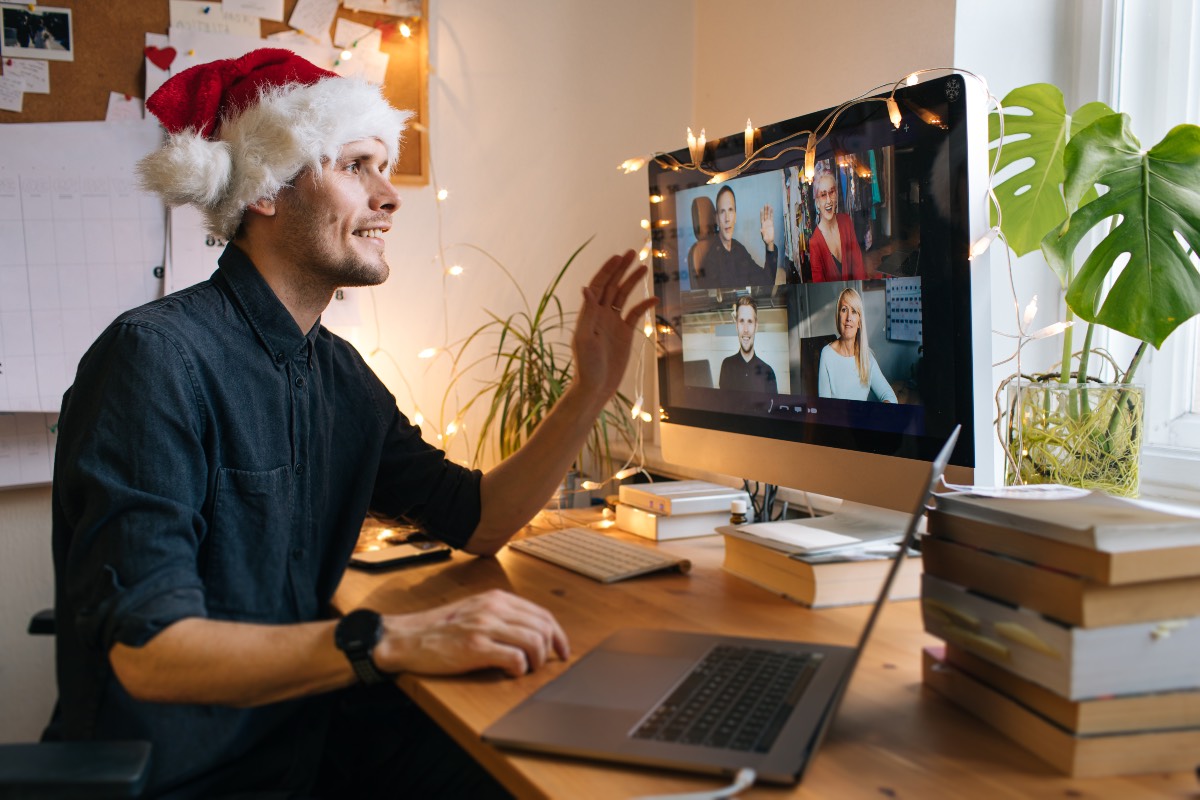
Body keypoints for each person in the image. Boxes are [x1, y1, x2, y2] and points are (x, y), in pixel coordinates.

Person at [49, 49, 656, 799]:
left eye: (384, 165)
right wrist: (396, 638)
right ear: (265, 189)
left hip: (306, 734)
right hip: (190, 775)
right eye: (357, 165)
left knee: (567, 764)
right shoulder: (155, 361)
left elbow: (479, 520)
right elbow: (149, 653)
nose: (389, 196)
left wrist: (589, 391)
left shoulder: (338, 374)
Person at [817, 287, 896, 402]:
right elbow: (824, 408)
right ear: (838, 316)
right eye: (844, 310)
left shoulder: (866, 356)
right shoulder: (827, 354)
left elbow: (890, 397)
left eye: (854, 311)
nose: (849, 318)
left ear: (859, 322)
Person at [692, 184, 778, 288]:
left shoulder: (738, 248)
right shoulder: (711, 262)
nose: (727, 218)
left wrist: (769, 244)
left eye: (730, 210)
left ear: (735, 216)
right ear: (717, 219)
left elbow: (767, 282)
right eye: (722, 211)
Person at [808, 162, 871, 282]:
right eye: (822, 195)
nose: (828, 201)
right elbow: (819, 283)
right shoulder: (814, 243)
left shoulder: (846, 221)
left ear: (836, 194)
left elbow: (858, 265)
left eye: (831, 192)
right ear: (816, 201)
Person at [718, 296, 778, 394]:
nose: (745, 330)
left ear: (756, 326)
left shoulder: (768, 372)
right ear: (737, 326)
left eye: (750, 321)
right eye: (742, 321)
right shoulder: (727, 366)